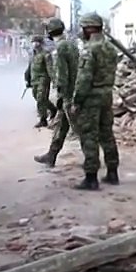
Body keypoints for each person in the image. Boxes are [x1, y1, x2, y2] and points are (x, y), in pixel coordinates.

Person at [72, 12, 120, 190]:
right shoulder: (110, 48)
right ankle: (113, 172)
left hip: (91, 97)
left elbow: (84, 78)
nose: (82, 31)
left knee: (89, 135)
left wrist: (77, 101)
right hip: (107, 95)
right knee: (107, 133)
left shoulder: (90, 49)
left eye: (84, 28)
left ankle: (91, 178)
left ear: (90, 28)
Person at [34, 18, 79, 167]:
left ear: (49, 32)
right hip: (73, 91)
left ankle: (94, 162)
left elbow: (61, 75)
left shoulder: (59, 48)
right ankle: (51, 154)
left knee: (80, 130)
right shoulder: (72, 45)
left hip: (68, 94)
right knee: (61, 125)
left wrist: (60, 94)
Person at [24, 35, 56, 128]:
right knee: (37, 97)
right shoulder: (32, 54)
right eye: (33, 42)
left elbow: (50, 69)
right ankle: (52, 109)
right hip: (34, 79)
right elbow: (29, 68)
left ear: (40, 43)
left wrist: (54, 81)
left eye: (36, 42)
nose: (34, 44)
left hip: (43, 79)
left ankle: (43, 119)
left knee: (41, 98)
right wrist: (27, 79)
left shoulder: (46, 54)